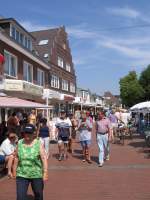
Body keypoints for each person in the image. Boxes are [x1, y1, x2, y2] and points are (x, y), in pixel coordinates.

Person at [12, 124, 48, 200]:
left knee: (38, 195)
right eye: (26, 132)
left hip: (36, 174)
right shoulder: (20, 142)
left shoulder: (38, 143)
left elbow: (43, 158)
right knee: (20, 197)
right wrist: (14, 171)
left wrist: (45, 172)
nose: (27, 135)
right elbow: (16, 158)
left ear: (34, 133)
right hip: (22, 174)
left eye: (29, 133)